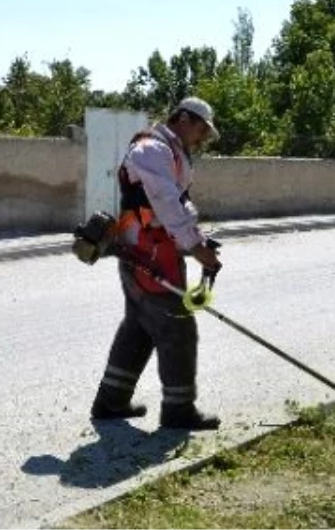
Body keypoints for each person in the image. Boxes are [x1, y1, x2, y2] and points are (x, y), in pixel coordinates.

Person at [90, 97, 225, 431]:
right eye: (200, 130)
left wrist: (198, 237)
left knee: (139, 326)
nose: (201, 138)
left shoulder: (171, 152)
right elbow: (166, 203)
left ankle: (111, 400)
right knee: (178, 328)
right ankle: (179, 410)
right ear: (183, 118)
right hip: (147, 253)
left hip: (149, 250)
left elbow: (179, 205)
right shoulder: (153, 149)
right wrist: (196, 247)